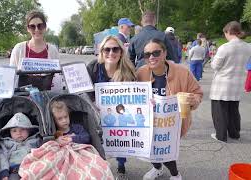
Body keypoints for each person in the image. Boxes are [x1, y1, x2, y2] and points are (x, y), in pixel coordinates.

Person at [137, 38, 203, 180]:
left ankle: (175, 174)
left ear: (165, 53)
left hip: (171, 123)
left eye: (156, 52)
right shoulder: (140, 73)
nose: (151, 57)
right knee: (150, 149)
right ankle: (157, 168)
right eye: (147, 54)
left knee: (166, 150)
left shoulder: (182, 72)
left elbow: (197, 92)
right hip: (148, 122)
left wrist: (194, 100)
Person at [87, 35, 136, 179]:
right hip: (96, 111)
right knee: (96, 141)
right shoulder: (93, 67)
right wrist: (93, 102)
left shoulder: (128, 70)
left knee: (120, 136)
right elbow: (84, 91)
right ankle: (98, 167)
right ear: (101, 52)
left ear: (121, 52)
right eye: (107, 49)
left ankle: (121, 165)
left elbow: (136, 96)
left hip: (120, 113)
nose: (111, 53)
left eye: (115, 49)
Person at [210, 21, 251, 142]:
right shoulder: (248, 47)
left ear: (228, 32)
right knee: (233, 110)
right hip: (237, 82)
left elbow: (215, 66)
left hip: (223, 83)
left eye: (225, 33)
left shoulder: (225, 47)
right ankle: (234, 133)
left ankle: (221, 135)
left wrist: (213, 59)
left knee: (220, 111)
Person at [9, 10, 59, 89]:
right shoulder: (19, 49)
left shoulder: (53, 50)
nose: (36, 30)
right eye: (32, 26)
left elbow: (57, 79)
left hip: (48, 98)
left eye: (40, 26)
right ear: (28, 29)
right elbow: (11, 77)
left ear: (45, 27)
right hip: (23, 99)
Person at [0, 112, 41, 180]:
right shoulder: (7, 143)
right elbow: (2, 158)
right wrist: (4, 172)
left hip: (33, 167)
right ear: (10, 132)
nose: (18, 133)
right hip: (15, 170)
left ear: (29, 130)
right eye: (14, 131)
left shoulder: (35, 140)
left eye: (22, 129)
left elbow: (43, 150)